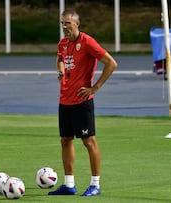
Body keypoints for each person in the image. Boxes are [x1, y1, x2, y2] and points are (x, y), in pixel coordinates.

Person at [48, 9, 117, 196]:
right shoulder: (63, 43)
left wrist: (94, 88)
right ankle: (69, 184)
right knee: (65, 140)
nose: (64, 27)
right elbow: (60, 60)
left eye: (68, 23)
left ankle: (96, 184)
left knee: (89, 141)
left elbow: (111, 63)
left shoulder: (87, 42)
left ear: (77, 24)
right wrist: (61, 70)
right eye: (62, 23)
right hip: (64, 100)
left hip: (82, 101)